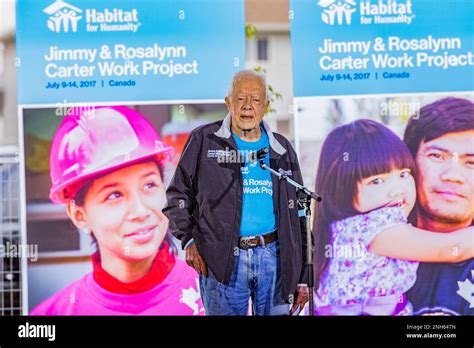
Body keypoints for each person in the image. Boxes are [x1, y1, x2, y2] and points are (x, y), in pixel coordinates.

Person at [31, 106, 204, 315]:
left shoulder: (217, 295)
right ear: (79, 215)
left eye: (149, 185)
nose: (140, 211)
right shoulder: (51, 315)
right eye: (114, 195)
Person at [163, 70, 308, 315]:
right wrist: (189, 241)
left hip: (275, 258)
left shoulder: (282, 149)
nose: (248, 106)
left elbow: (301, 211)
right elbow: (177, 195)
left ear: (266, 105)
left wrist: (302, 275)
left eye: (255, 100)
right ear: (228, 102)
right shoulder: (204, 140)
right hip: (222, 260)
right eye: (240, 99)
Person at [312, 119, 474, 315]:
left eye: (404, 174)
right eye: (376, 181)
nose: (397, 190)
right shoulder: (374, 227)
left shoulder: (341, 228)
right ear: (340, 188)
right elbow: (451, 248)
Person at [405, 97, 474, 315]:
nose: (452, 176)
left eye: (471, 162)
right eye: (436, 156)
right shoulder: (368, 247)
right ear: (408, 162)